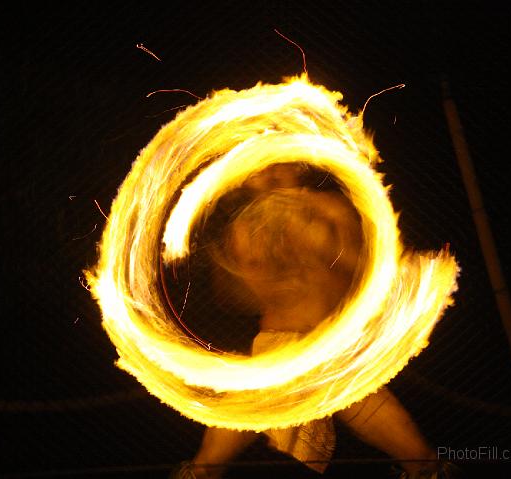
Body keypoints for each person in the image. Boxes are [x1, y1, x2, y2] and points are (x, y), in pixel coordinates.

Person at [171, 163, 452, 479]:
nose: (269, 176)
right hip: (278, 351)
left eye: (276, 167)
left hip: (329, 349)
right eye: (261, 171)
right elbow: (237, 297)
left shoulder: (328, 208)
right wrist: (261, 259)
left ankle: (427, 468)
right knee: (211, 458)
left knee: (413, 452)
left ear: (296, 166)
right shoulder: (245, 228)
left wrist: (326, 246)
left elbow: (362, 268)